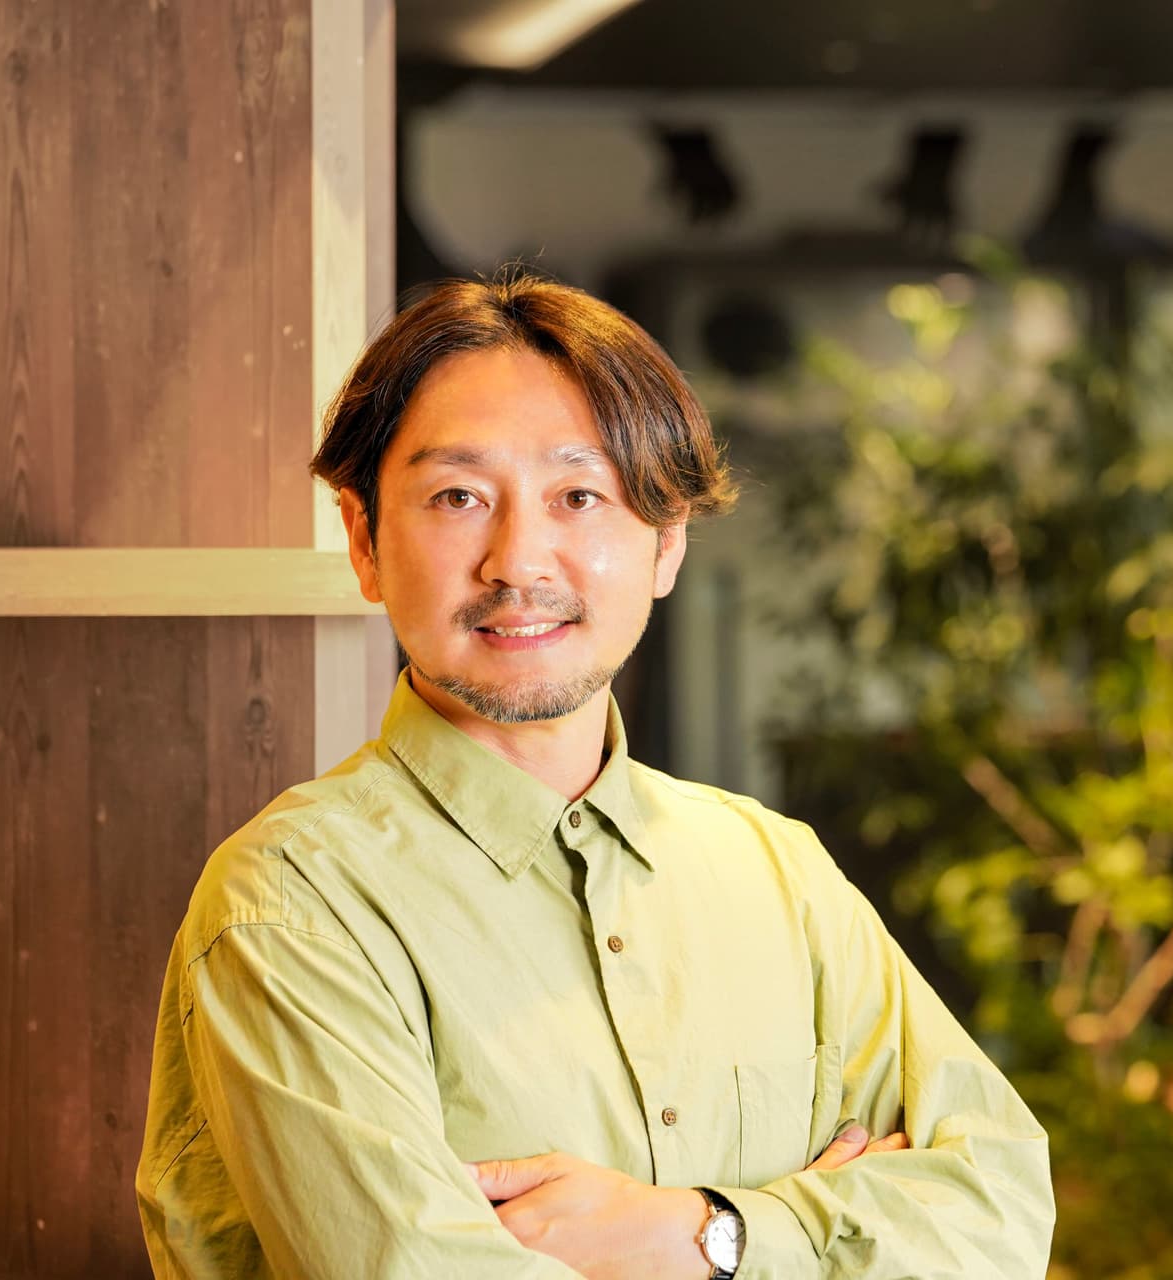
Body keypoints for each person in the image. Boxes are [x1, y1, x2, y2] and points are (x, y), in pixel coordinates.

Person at [135, 273, 1055, 1279]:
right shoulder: (293, 904)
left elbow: (997, 1212)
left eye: (580, 495)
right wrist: (828, 1220)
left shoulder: (775, 874)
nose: (517, 559)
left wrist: (711, 1232)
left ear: (667, 540)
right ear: (364, 538)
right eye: (459, 497)